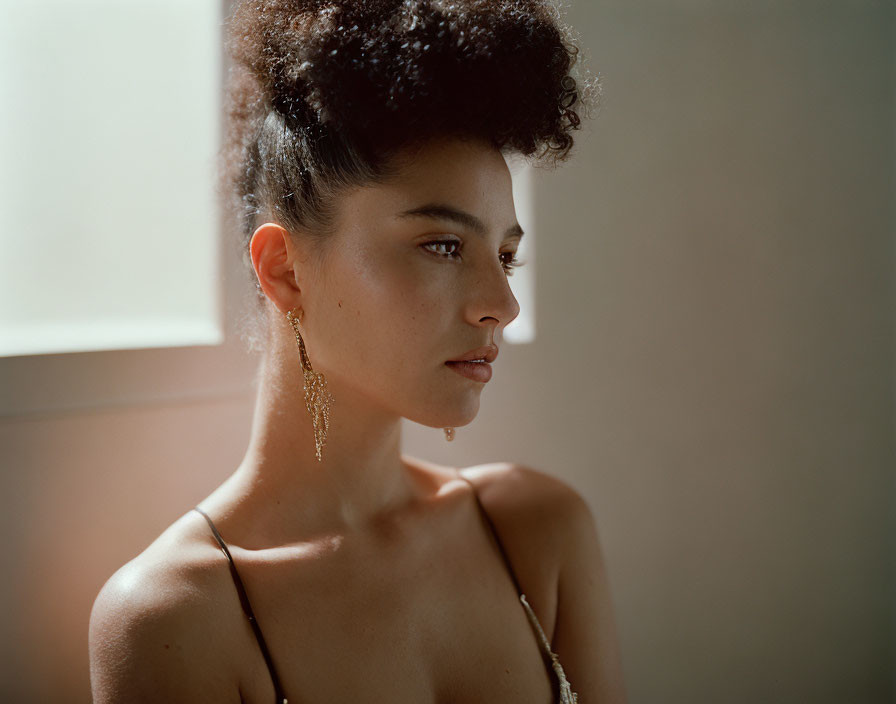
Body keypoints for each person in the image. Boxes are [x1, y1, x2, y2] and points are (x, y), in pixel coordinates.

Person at [88, 0, 626, 701]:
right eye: (443, 245)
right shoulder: (175, 620)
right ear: (285, 269)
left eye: (505, 256)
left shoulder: (540, 535)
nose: (501, 302)